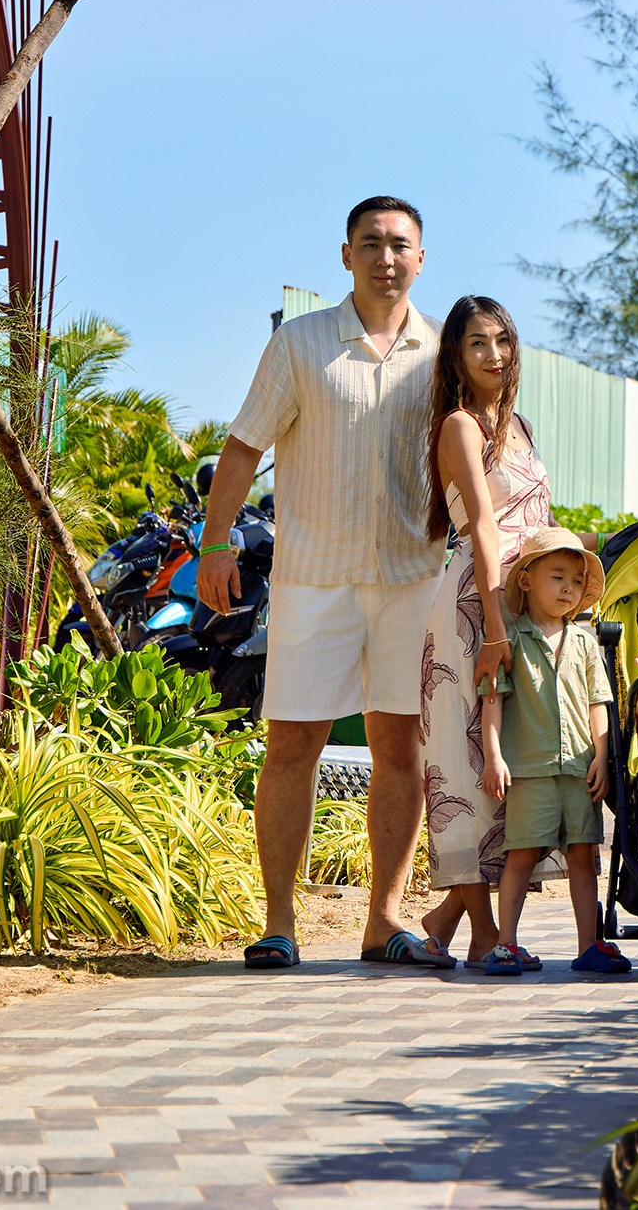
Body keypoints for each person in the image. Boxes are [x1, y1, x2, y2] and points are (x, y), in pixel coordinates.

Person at [197, 196, 452, 972]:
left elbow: (477, 453)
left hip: (412, 578)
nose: (385, 256)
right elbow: (244, 446)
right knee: (292, 743)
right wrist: (215, 543)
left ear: (421, 258)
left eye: (400, 244)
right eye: (370, 242)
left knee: (400, 745)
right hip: (313, 580)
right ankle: (279, 924)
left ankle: (383, 920)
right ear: (346, 255)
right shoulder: (301, 344)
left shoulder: (444, 352)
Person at [409, 295, 588, 966]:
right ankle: (485, 935)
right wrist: (492, 625)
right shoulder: (459, 426)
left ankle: (444, 920)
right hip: (474, 607)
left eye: (503, 340)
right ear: (456, 357)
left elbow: (542, 524)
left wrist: (565, 596)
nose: (493, 354)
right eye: (477, 343)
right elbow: (484, 526)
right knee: (471, 765)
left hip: (529, 602)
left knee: (524, 762)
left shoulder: (523, 428)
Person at [473, 529, 631, 977]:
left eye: (577, 582)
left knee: (583, 854)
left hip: (580, 768)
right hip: (529, 770)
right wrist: (493, 756)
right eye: (558, 577)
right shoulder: (510, 640)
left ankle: (588, 945)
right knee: (522, 853)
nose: (568, 589)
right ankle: (506, 944)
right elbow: (493, 700)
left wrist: (601, 755)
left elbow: (598, 702)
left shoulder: (584, 642)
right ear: (526, 581)